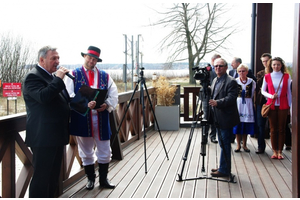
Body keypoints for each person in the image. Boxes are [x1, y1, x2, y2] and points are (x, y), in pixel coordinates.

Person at [64, 46, 118, 190]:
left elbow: (113, 94)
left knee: (105, 150)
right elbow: (68, 96)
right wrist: (85, 104)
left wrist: (106, 105)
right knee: (86, 151)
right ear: (84, 57)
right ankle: (90, 180)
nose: (91, 61)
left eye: (94, 59)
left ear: (97, 61)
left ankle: (104, 179)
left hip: (101, 118)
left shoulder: (105, 76)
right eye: (89, 58)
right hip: (82, 118)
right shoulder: (73, 75)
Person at [22, 46, 71, 197]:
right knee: (42, 178)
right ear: (42, 60)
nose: (57, 61)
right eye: (53, 58)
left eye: (58, 58)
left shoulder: (51, 77)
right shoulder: (33, 77)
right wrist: (58, 79)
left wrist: (84, 103)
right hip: (43, 137)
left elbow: (62, 101)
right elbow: (43, 97)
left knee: (53, 176)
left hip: (56, 135)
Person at [209, 58, 240, 177]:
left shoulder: (231, 81)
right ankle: (223, 166)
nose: (217, 68)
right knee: (222, 143)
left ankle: (225, 170)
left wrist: (218, 102)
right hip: (217, 117)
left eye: (220, 66)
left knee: (225, 143)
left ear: (226, 67)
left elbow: (232, 98)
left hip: (226, 117)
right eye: (215, 66)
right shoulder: (215, 80)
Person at [261, 57, 292, 160]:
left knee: (282, 129)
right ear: (271, 65)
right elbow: (263, 91)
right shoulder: (267, 76)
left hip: (283, 104)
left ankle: (280, 151)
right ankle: (274, 151)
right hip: (272, 105)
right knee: (273, 129)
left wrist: (290, 107)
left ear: (281, 65)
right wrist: (270, 96)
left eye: (278, 64)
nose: (276, 66)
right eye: (274, 64)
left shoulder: (287, 76)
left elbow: (289, 92)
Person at [233, 64, 256, 153]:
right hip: (238, 104)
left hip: (248, 103)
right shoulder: (235, 81)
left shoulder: (251, 82)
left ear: (247, 72)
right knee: (238, 124)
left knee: (246, 124)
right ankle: (238, 145)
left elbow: (253, 93)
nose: (241, 73)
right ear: (237, 72)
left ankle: (245, 145)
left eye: (243, 71)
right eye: (240, 71)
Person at [255, 53, 271, 154]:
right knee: (260, 124)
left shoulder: (277, 73)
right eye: (263, 61)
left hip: (274, 101)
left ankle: (277, 148)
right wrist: (266, 74)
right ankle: (261, 146)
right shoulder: (260, 73)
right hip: (261, 101)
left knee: (274, 125)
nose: (265, 63)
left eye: (267, 61)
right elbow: (258, 85)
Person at [206, 54, 221, 144]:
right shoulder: (207, 69)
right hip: (207, 96)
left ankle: (213, 136)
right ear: (213, 60)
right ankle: (204, 136)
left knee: (215, 117)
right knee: (206, 117)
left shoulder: (220, 70)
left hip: (216, 97)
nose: (218, 65)